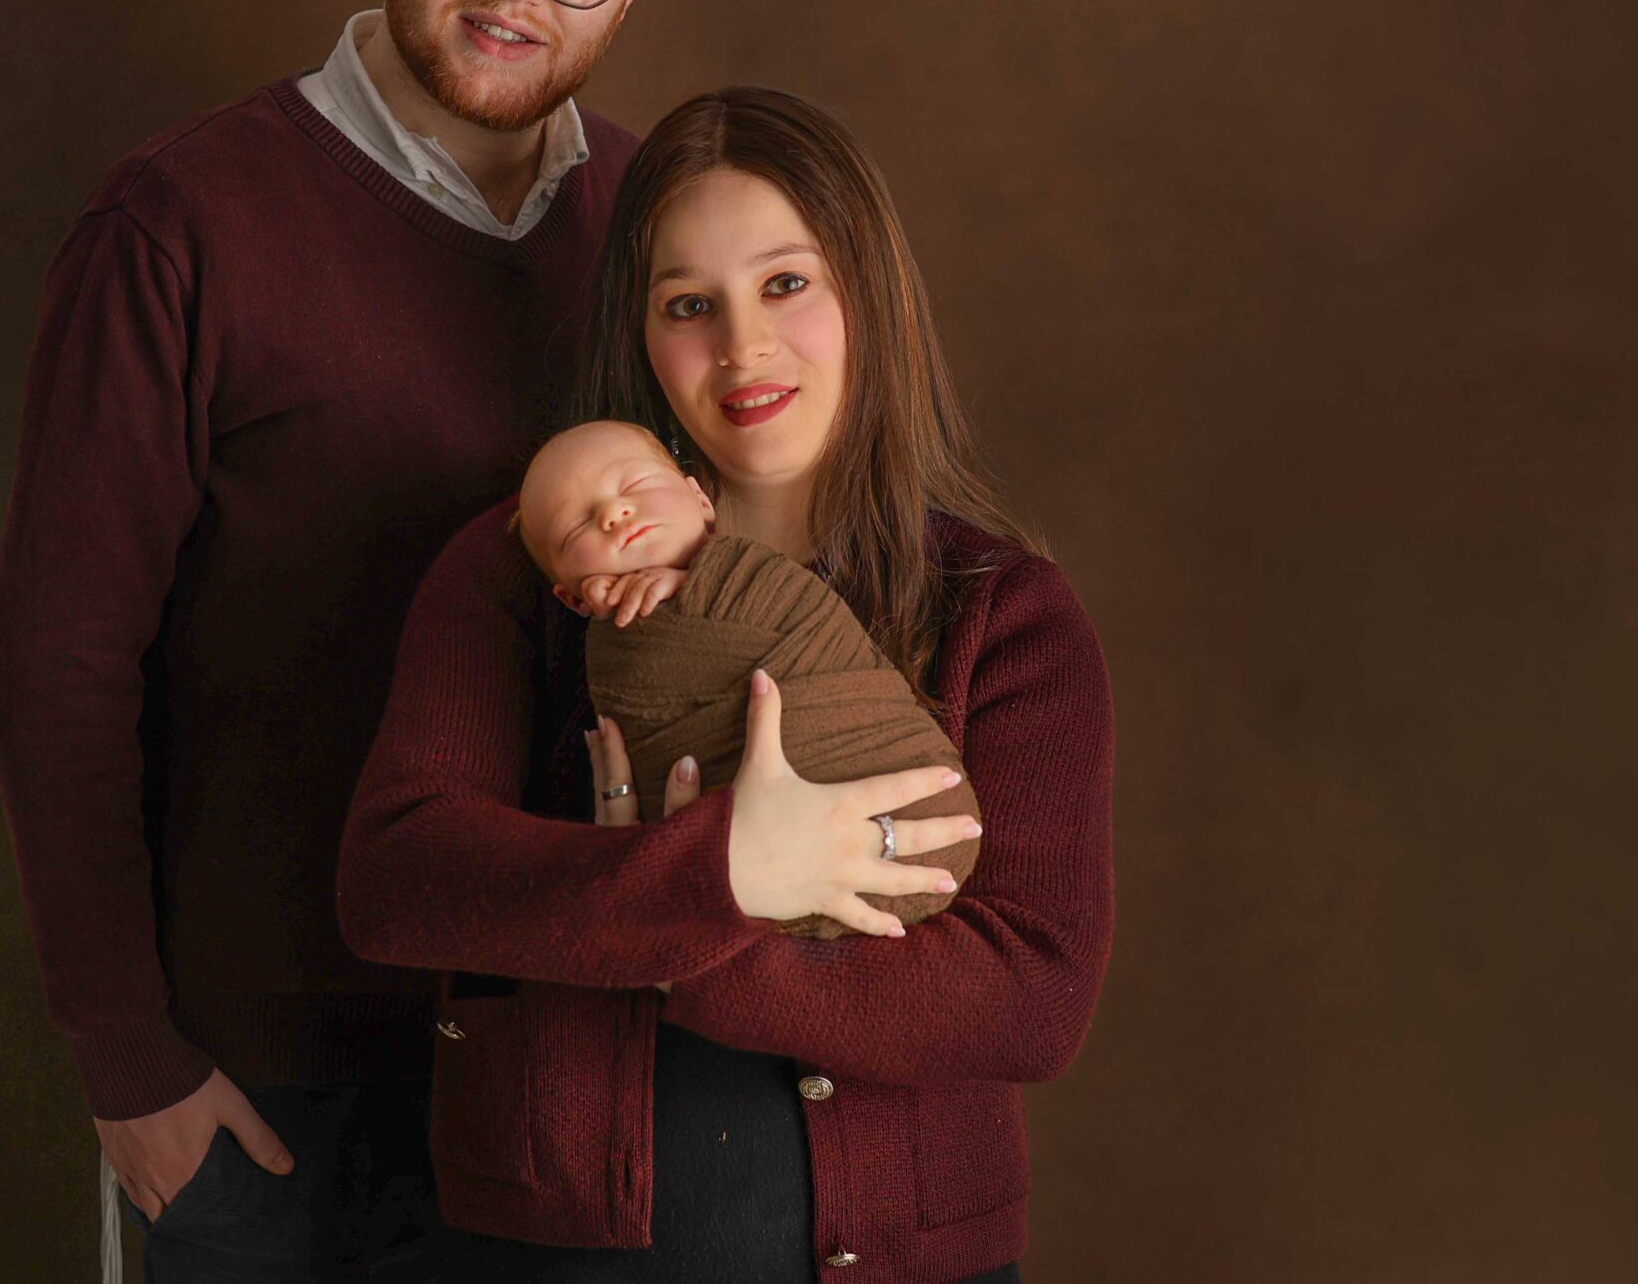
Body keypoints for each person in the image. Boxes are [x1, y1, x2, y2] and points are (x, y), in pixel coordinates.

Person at [0, 0, 667, 1281]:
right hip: (272, 1095)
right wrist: (130, 1062)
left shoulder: (661, 229)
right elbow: (53, 666)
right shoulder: (180, 224)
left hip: (590, 1061)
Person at [337, 88, 1115, 1282]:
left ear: (868, 292)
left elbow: (1031, 997)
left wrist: (685, 937)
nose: (742, 345)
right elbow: (398, 878)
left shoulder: (1003, 611)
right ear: (642, 335)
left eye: (785, 283)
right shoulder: (525, 572)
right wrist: (716, 873)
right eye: (688, 304)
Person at [512, 417, 982, 936]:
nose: (612, 514)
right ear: (571, 597)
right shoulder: (606, 656)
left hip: (917, 810)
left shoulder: (761, 579)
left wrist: (706, 582)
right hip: (719, 889)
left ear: (701, 501)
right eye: (575, 528)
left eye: (636, 484)